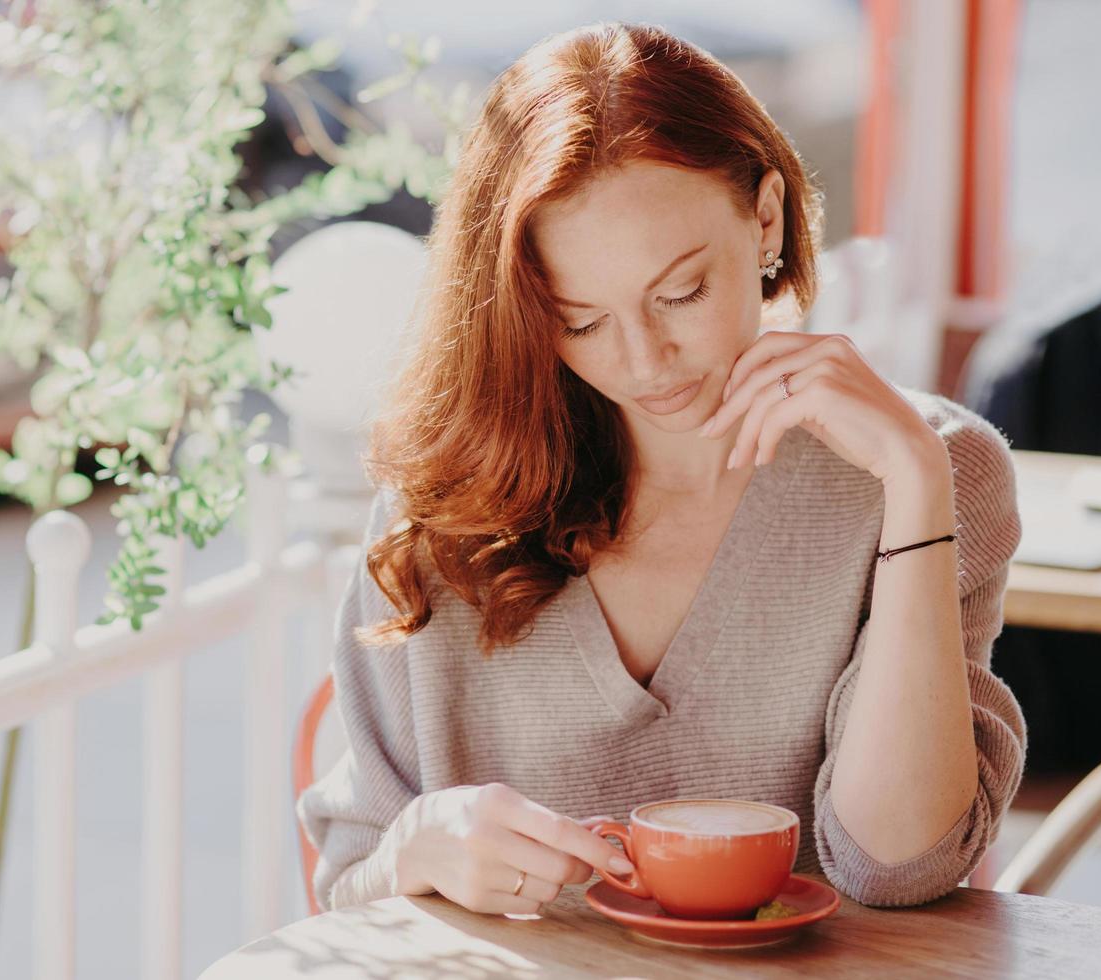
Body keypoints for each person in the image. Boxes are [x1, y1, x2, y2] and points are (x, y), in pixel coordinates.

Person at [296, 21, 1026, 916]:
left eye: (681, 293)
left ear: (766, 218)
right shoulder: (449, 492)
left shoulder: (929, 472)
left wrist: (915, 487)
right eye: (581, 320)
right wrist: (417, 849)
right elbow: (349, 893)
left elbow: (896, 868)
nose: (645, 362)